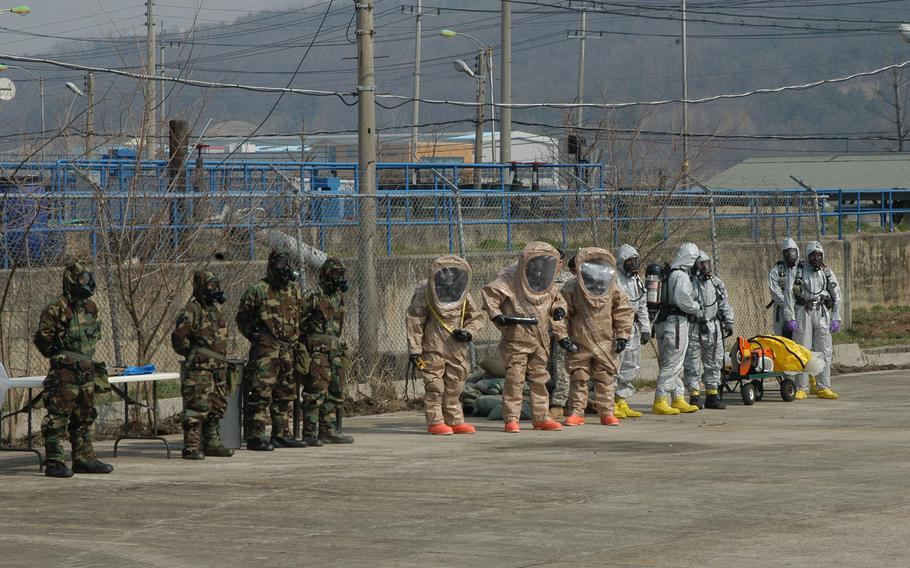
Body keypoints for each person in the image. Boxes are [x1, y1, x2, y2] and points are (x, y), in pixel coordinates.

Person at [482, 241, 576, 433]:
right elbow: (490, 297)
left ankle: (540, 417)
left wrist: (558, 311)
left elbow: (558, 300)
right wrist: (498, 316)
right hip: (516, 337)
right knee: (515, 379)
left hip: (540, 337)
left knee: (540, 378)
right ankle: (511, 419)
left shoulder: (546, 280)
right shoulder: (510, 277)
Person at [34, 262, 113, 478]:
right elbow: (43, 339)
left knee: (84, 416)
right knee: (58, 417)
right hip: (65, 373)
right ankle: (54, 462)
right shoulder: (56, 308)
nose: (86, 284)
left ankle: (84, 458)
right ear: (71, 281)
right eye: (81, 280)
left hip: (86, 371)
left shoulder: (91, 307)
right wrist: (61, 357)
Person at [406, 255, 486, 435]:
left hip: (457, 348)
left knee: (455, 385)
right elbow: (415, 321)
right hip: (432, 347)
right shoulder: (425, 292)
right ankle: (435, 421)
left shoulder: (462, 294)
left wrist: (468, 332)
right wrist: (415, 350)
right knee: (435, 386)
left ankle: (455, 420)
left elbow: (476, 317)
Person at [236, 248, 307, 451]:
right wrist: (258, 338)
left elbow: (298, 318)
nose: (285, 269)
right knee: (260, 394)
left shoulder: (293, 290)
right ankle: (255, 436)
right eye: (280, 264)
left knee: (285, 393)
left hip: (287, 350)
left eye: (287, 264)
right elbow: (242, 320)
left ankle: (281, 433)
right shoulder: (258, 290)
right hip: (266, 352)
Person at [560, 248, 634, 426]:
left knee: (605, 378)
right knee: (578, 377)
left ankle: (607, 412)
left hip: (605, 341)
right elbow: (561, 313)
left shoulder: (611, 287)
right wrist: (562, 337)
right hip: (579, 340)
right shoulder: (571, 287)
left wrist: (623, 335)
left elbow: (623, 311)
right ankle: (577, 412)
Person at [171, 271, 234, 460]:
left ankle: (212, 443)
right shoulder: (192, 310)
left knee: (217, 405)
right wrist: (194, 356)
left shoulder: (217, 310)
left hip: (218, 368)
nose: (214, 290)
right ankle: (191, 446)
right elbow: (179, 339)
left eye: (216, 285)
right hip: (200, 370)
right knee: (197, 407)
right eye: (209, 286)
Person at [299, 258, 354, 445]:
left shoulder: (338, 297)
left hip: (334, 351)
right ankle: (309, 433)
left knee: (335, 391)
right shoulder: (313, 297)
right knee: (316, 391)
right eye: (336, 275)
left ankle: (328, 430)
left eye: (341, 275)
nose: (340, 279)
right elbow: (299, 320)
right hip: (317, 352)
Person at [652, 243, 702, 416]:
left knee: (675, 362)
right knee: (672, 362)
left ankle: (678, 397)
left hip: (663, 322)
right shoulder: (680, 276)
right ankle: (660, 399)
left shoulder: (669, 273)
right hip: (676, 323)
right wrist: (696, 307)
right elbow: (683, 300)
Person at [787, 241, 841, 400]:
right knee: (803, 350)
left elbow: (836, 295)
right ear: (807, 256)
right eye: (813, 255)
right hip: (803, 312)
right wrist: (790, 317)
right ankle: (801, 387)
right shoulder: (798, 271)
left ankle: (824, 387)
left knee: (825, 351)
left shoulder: (826, 272)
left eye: (819, 255)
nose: (816, 258)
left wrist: (836, 317)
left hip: (821, 313)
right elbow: (788, 294)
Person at [682, 250, 735, 410]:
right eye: (702, 265)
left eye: (707, 264)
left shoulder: (715, 283)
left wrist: (729, 321)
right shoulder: (689, 283)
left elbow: (724, 302)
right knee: (692, 363)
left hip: (713, 327)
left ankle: (712, 395)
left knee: (714, 362)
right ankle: (694, 396)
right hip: (694, 327)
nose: (706, 268)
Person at [613, 244, 650, 419]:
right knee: (615, 363)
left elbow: (642, 304)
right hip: (618, 327)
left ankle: (621, 400)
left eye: (635, 260)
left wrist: (645, 329)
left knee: (631, 363)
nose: (633, 264)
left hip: (633, 327)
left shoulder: (636, 280)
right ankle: (610, 402)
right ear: (621, 262)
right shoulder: (614, 279)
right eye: (629, 261)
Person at [547, 250, 572, 420]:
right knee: (546, 367)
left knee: (560, 363)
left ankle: (559, 403)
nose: (557, 264)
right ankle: (548, 399)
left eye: (560, 261)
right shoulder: (538, 278)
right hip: (543, 328)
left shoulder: (569, 280)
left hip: (563, 329)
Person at [768, 238, 800, 338]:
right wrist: (788, 305)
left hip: (799, 308)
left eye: (792, 252)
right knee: (781, 337)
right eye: (786, 253)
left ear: (797, 252)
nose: (790, 256)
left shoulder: (802, 268)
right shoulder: (777, 269)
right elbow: (775, 291)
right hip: (781, 309)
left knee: (800, 337)